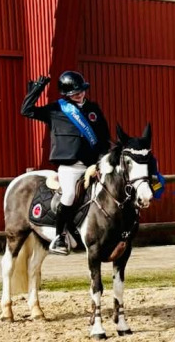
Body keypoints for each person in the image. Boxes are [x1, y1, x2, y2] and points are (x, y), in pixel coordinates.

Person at [21, 71, 111, 255]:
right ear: (65, 94)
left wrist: (101, 160)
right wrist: (37, 90)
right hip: (70, 166)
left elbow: (104, 138)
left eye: (81, 90)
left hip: (92, 165)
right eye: (74, 92)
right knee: (69, 195)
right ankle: (59, 236)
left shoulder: (93, 109)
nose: (79, 94)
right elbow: (27, 110)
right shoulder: (56, 110)